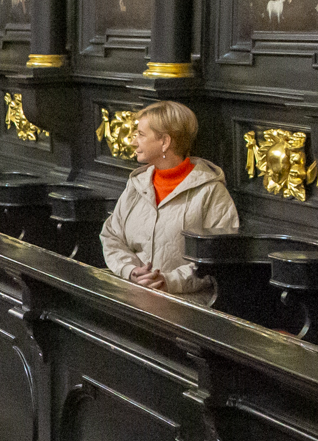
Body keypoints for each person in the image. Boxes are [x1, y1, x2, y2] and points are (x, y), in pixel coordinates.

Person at [99, 100, 239, 305]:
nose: (133, 142)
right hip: (132, 294)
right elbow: (111, 235)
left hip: (184, 304)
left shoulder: (211, 191)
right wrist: (131, 271)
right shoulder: (137, 184)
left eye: (141, 135)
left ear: (164, 142)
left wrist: (167, 281)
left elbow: (218, 258)